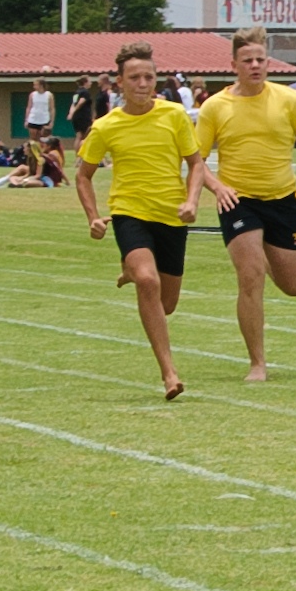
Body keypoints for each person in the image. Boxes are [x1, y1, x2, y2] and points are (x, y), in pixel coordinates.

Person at [196, 26, 296, 382]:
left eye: (260, 59)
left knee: (294, 285)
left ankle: (261, 249)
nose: (255, 65)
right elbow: (194, 159)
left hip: (282, 199)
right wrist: (217, 187)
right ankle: (257, 363)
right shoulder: (215, 107)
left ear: (268, 63)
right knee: (250, 277)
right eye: (247, 60)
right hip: (238, 200)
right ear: (234, 65)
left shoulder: (289, 100)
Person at [78, 41, 205, 400]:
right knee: (148, 281)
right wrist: (93, 217)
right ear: (119, 82)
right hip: (129, 213)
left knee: (166, 304)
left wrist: (192, 200)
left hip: (171, 215)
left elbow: (196, 164)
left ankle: (131, 270)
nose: (143, 84)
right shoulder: (106, 126)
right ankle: (169, 373)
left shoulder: (174, 115)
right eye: (134, 77)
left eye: (148, 77)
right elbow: (83, 175)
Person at [67, 75, 94, 158]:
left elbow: (73, 104)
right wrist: (74, 111)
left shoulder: (77, 92)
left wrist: (71, 113)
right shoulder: (85, 92)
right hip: (83, 116)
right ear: (85, 82)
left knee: (78, 136)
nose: (91, 83)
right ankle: (83, 155)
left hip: (76, 117)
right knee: (86, 136)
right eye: (89, 81)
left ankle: (77, 156)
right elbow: (80, 103)